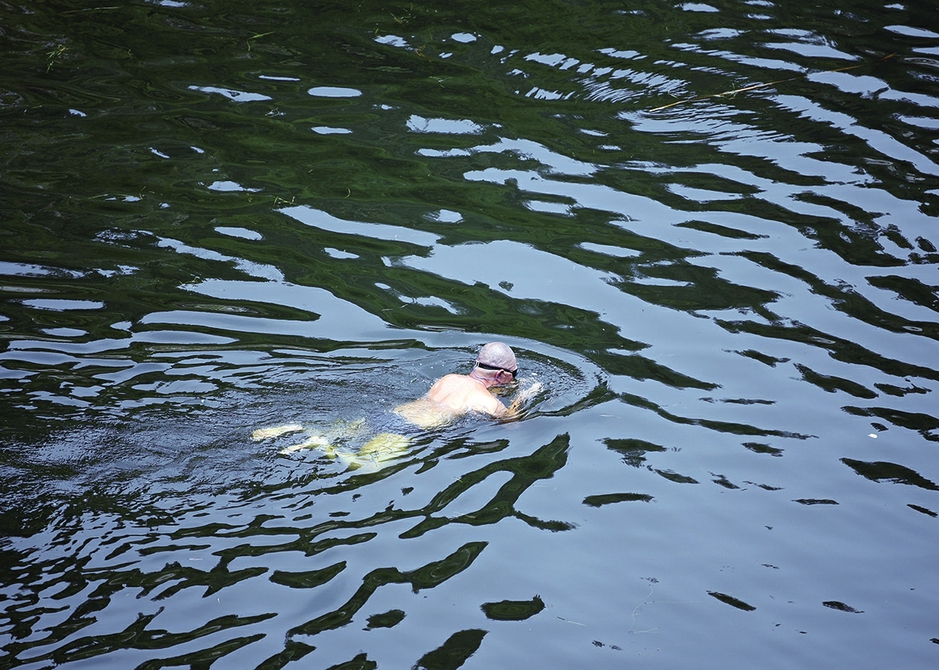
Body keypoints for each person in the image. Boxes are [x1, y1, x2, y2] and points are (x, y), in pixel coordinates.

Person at [252, 342, 542, 466]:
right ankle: (321, 444)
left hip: (390, 414)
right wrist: (524, 396)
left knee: (339, 432)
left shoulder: (448, 378)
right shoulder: (487, 401)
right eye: (514, 375)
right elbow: (511, 425)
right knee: (365, 468)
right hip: (406, 431)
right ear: (503, 375)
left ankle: (297, 429)